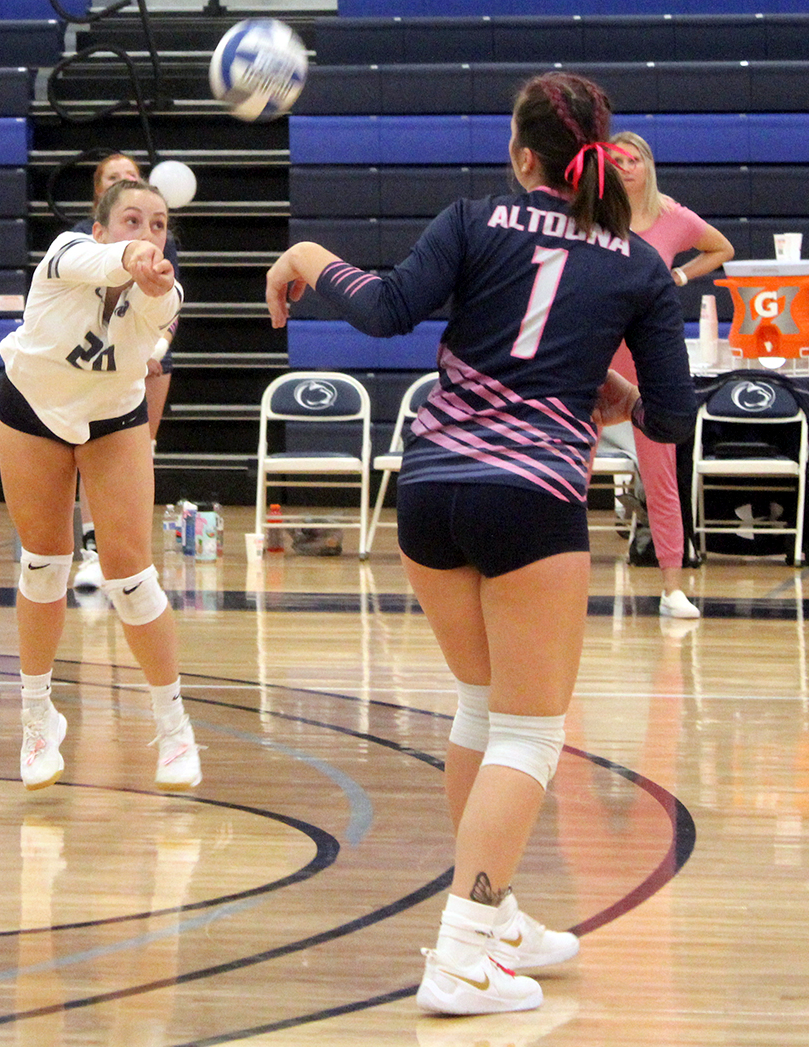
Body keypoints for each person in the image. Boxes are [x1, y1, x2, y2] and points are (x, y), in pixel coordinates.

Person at [265, 71, 697, 1016]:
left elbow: (383, 310)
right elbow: (670, 416)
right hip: (529, 502)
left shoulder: (470, 219)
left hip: (427, 493)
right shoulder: (637, 265)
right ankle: (461, 952)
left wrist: (306, 252)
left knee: (478, 706)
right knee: (532, 733)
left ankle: (496, 920)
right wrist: (610, 392)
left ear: (521, 154)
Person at [2, 177, 198, 792]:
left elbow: (156, 301)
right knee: (43, 564)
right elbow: (107, 261)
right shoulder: (65, 254)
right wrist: (129, 256)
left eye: (159, 224)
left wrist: (150, 275)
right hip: (35, 404)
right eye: (132, 220)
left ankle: (174, 727)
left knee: (131, 576)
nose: (147, 234)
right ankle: (38, 718)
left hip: (114, 415)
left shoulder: (165, 294)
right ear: (101, 229)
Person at [606, 130, 734, 619]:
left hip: (648, 358)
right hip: (597, 352)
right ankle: (556, 578)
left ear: (648, 165)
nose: (625, 166)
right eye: (615, 160)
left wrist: (679, 275)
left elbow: (722, 248)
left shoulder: (673, 217)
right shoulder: (595, 217)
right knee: (571, 463)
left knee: (661, 472)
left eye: (633, 158)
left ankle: (672, 586)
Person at [70, 151, 182, 589]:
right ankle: (94, 549)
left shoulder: (162, 246)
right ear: (102, 193)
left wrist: (155, 347)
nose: (148, 233)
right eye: (114, 177)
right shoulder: (78, 242)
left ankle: (132, 551)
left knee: (138, 450)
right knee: (89, 449)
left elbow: (173, 305)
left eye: (132, 176)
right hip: (92, 356)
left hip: (151, 355)